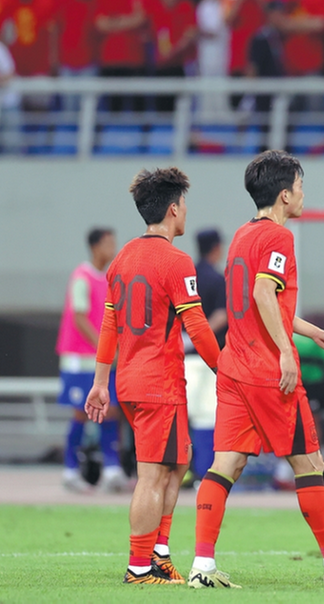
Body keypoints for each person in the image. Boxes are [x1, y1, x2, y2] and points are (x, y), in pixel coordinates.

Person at [189, 151, 324, 588]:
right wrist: (284, 352)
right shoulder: (279, 238)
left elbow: (265, 304)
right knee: (309, 461)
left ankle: (202, 567)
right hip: (266, 371)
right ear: (284, 194)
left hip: (234, 367)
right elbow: (263, 294)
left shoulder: (242, 236)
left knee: (226, 464)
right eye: (300, 185)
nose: (303, 194)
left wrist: (314, 332)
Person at [83, 167, 222, 585]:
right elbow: (197, 327)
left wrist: (100, 382)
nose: (186, 214)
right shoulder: (177, 262)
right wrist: (226, 371)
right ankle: (139, 567)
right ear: (174, 208)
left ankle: (159, 553)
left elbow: (110, 325)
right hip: (158, 381)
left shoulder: (122, 258)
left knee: (178, 463)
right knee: (152, 474)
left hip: (132, 380)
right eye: (185, 206)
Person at [56, 227, 122, 493]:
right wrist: (103, 348)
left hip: (103, 360)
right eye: (108, 243)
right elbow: (79, 317)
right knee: (81, 413)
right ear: (95, 247)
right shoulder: (81, 277)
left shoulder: (109, 277)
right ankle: (70, 470)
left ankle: (112, 468)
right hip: (80, 359)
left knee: (112, 410)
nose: (112, 247)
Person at [186, 228, 227, 480]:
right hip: (208, 356)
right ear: (216, 248)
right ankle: (203, 472)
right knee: (204, 414)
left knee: (183, 414)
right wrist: (199, 334)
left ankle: (183, 471)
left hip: (182, 355)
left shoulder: (188, 276)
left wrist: (185, 336)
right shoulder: (216, 279)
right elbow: (222, 315)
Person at [94, 0, 150, 113]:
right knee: (113, 107)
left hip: (136, 59)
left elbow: (141, 18)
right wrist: (129, 20)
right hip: (110, 59)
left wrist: (114, 22)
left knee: (138, 106)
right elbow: (100, 24)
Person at [148, 0, 197, 113]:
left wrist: (173, 52)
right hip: (159, 65)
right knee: (162, 106)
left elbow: (190, 33)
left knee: (184, 103)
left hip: (183, 64)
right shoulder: (153, 7)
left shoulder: (186, 6)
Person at [195, 0, 229, 120]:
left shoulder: (219, 5)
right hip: (209, 52)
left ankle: (220, 112)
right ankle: (207, 114)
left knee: (219, 82)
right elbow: (212, 30)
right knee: (208, 82)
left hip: (220, 51)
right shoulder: (206, 5)